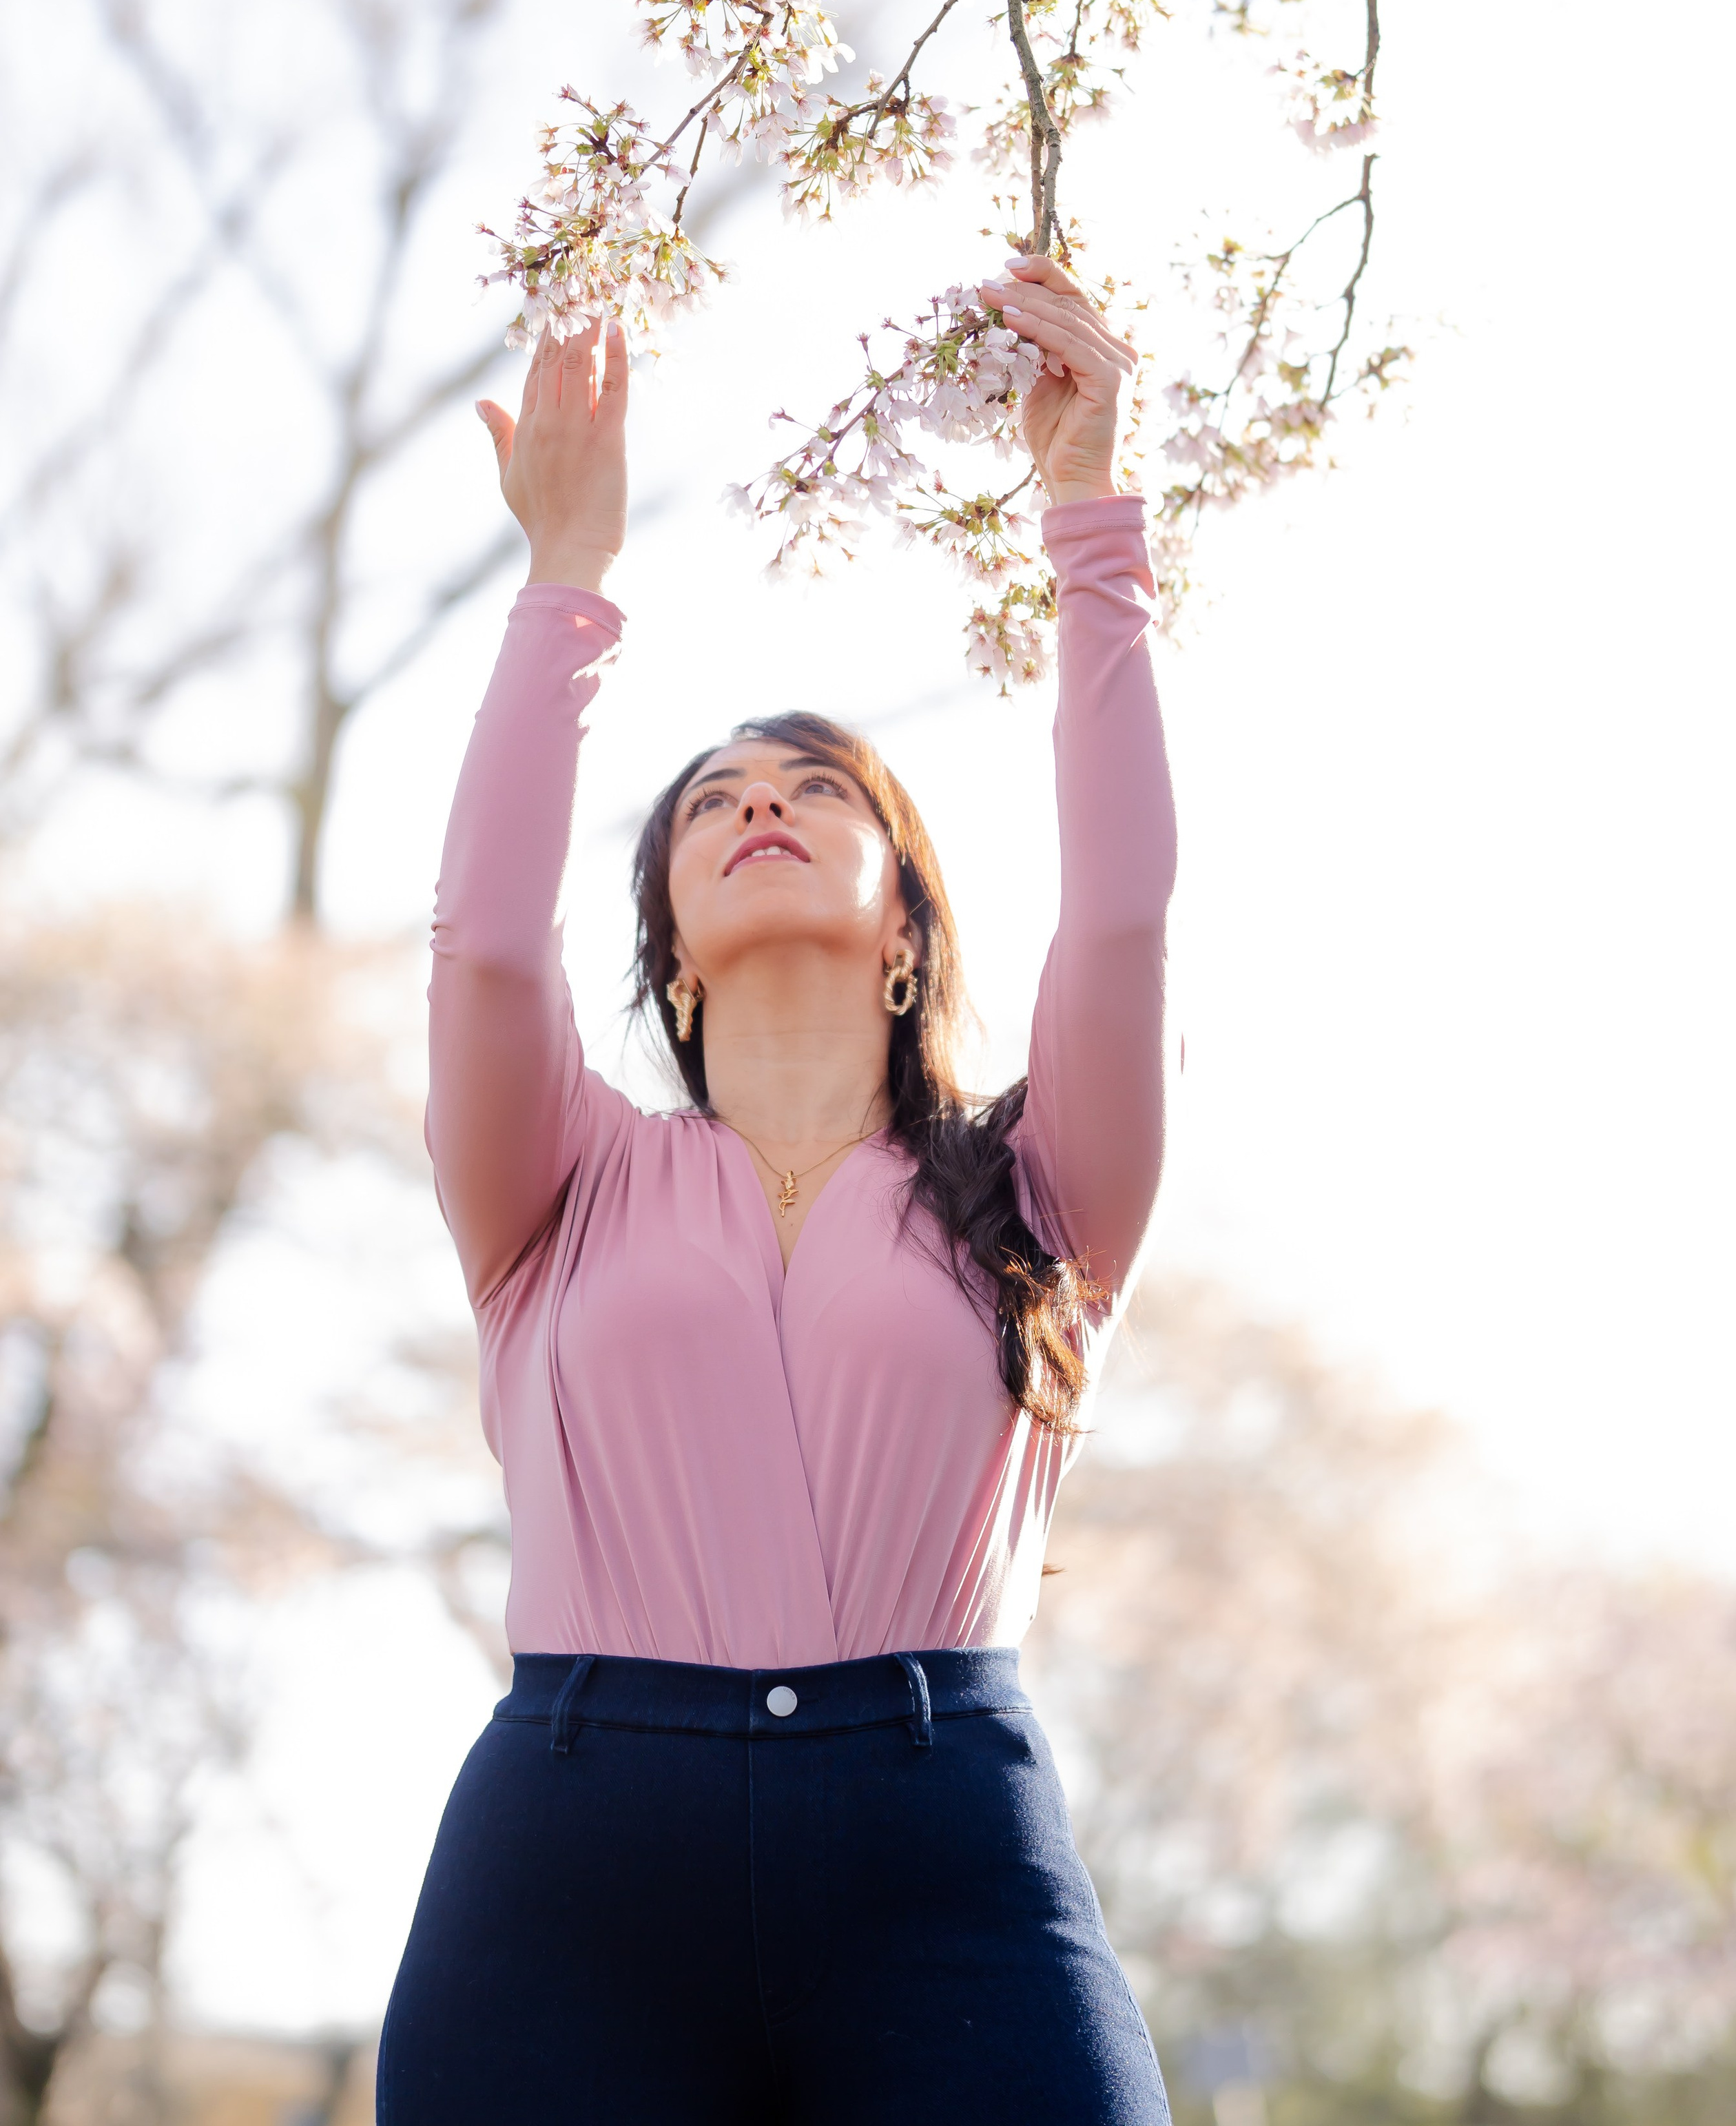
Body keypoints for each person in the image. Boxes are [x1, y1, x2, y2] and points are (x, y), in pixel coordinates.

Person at [376, 253, 1177, 2125]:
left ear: (903, 917)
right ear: (666, 937)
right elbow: (485, 944)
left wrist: (1089, 514)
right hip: (573, 1865)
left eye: (819, 790)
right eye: (717, 797)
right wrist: (567, 580)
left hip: (945, 1850)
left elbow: (1127, 915)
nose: (761, 803)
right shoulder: (557, 1182)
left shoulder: (1041, 1187)